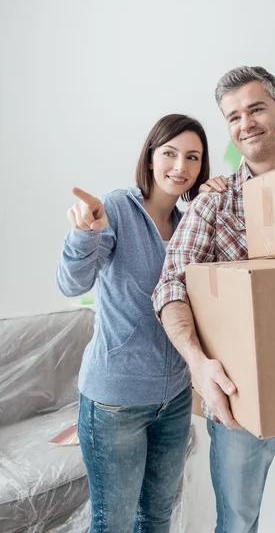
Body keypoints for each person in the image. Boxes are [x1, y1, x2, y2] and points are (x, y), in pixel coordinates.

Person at [153, 68, 275, 533]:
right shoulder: (211, 204)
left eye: (256, 109)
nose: (245, 123)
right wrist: (198, 363)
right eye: (233, 116)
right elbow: (171, 285)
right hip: (236, 398)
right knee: (236, 522)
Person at [56, 113, 228, 533]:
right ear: (150, 156)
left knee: (155, 517)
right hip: (115, 401)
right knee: (112, 522)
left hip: (173, 401)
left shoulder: (190, 225)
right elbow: (70, 282)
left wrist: (213, 204)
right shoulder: (115, 209)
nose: (179, 167)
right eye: (169, 153)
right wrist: (85, 233)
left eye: (192, 157)